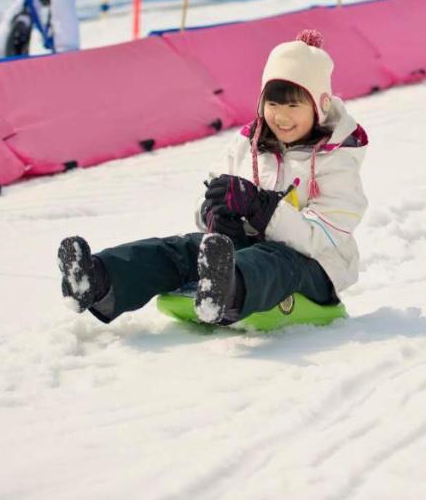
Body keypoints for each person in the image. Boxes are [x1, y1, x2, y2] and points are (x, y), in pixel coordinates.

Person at [56, 30, 369, 326]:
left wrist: (263, 209)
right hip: (246, 248)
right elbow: (212, 188)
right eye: (272, 103)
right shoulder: (249, 144)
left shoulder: (336, 160)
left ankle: (226, 290)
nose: (282, 116)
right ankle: (98, 278)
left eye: (294, 105)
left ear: (320, 106)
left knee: (273, 260)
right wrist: (213, 213)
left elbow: (323, 237)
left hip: (312, 267)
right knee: (184, 249)